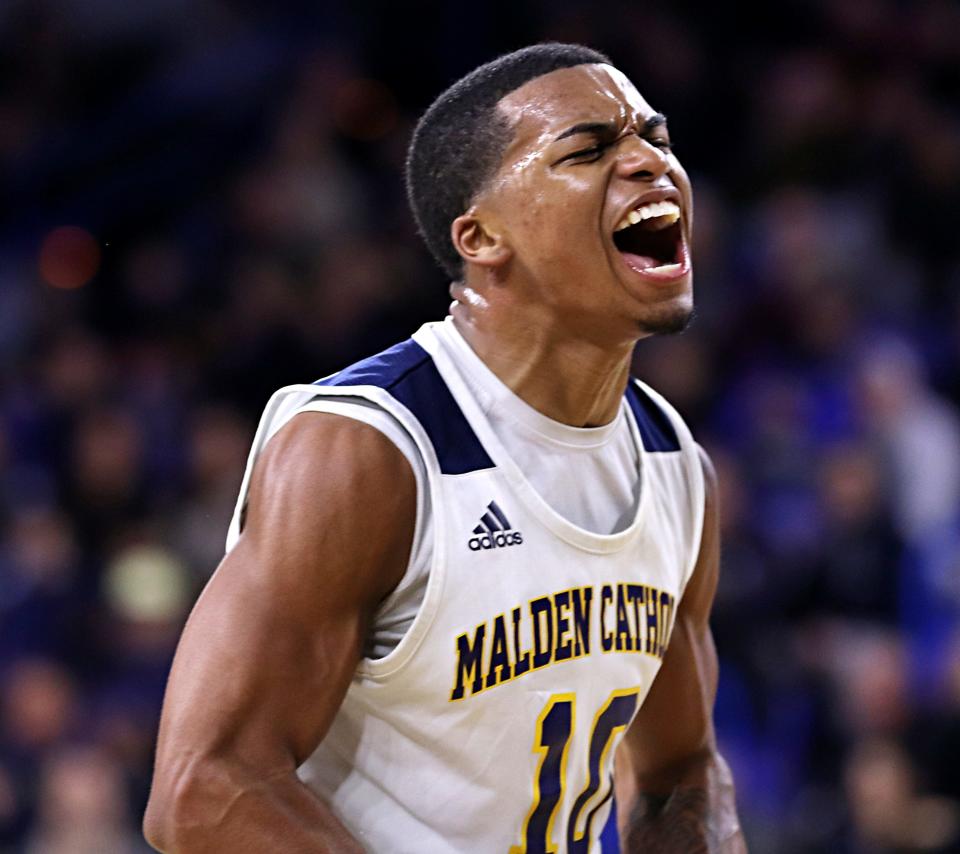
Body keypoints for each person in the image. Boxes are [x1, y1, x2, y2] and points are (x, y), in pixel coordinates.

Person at [143, 43, 745, 853]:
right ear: (482, 236)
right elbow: (203, 789)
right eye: (591, 149)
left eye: (657, 139)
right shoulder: (369, 451)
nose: (649, 162)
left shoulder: (677, 467)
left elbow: (680, 774)